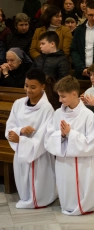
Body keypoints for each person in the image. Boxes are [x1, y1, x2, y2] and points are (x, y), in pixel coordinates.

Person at [44, 76, 94, 215]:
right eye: (59, 96)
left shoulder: (87, 115)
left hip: (82, 162)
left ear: (74, 94)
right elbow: (48, 137)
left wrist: (70, 134)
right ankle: (68, 203)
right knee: (66, 186)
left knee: (82, 188)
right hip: (63, 161)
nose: (60, 100)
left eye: (63, 96)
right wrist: (61, 135)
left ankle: (84, 204)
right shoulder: (57, 114)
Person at [5, 68, 57, 209]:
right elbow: (10, 125)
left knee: (38, 185)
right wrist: (20, 131)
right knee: (24, 180)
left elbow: (45, 137)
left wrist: (22, 140)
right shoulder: (18, 103)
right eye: (26, 85)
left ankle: (41, 198)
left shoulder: (47, 109)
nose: (28, 90)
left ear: (43, 87)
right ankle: (26, 196)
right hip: (21, 149)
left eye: (33, 87)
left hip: (38, 154)